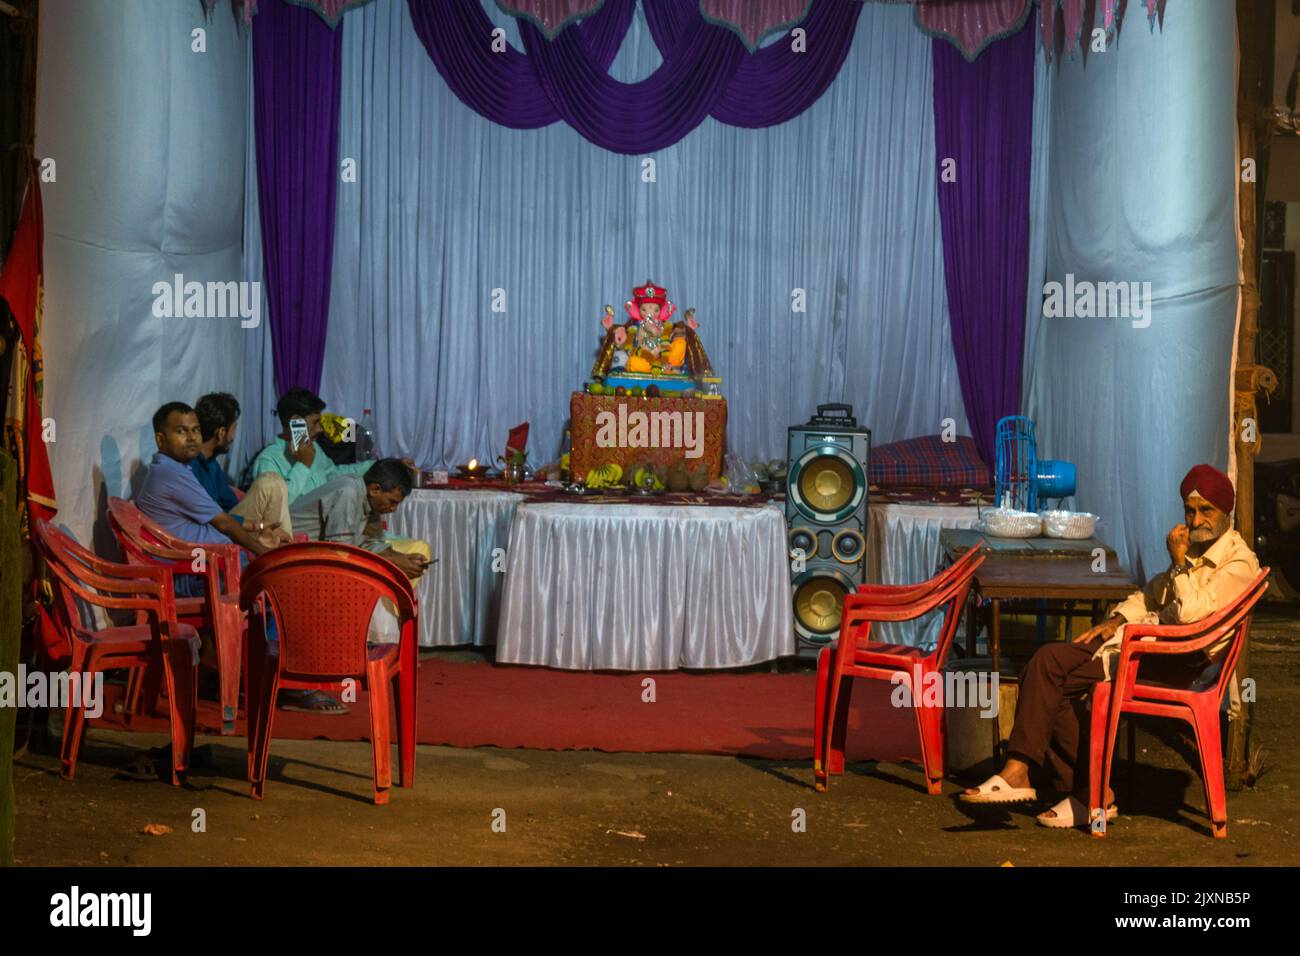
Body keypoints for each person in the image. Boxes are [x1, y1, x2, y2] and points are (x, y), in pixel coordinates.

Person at [960, 464, 1260, 828]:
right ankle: (1063, 784)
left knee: (1051, 669)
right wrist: (1116, 620)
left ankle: (1062, 784)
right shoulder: (1197, 550)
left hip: (1177, 660)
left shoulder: (1239, 564)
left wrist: (1179, 565)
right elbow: (1151, 595)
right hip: (1143, 644)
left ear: (1225, 513)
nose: (1195, 519)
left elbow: (1190, 616)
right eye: (1190, 510)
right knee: (1046, 667)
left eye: (1205, 511)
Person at [135, 402, 280, 558]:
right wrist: (263, 554)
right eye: (181, 431)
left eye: (196, 430)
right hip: (199, 566)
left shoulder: (174, 468)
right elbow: (224, 523)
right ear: (160, 440)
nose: (191, 438)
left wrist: (258, 531)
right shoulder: (170, 472)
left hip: (216, 555)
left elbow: (227, 510)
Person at [289, 457, 431, 580]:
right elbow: (340, 552)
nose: (393, 509)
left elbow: (372, 543)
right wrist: (394, 562)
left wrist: (401, 558)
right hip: (291, 559)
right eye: (392, 502)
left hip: (315, 559)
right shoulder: (349, 492)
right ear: (375, 489)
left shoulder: (370, 499)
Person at [191, 392, 291, 541]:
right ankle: (281, 552)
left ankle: (281, 549)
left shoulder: (212, 464)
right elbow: (212, 519)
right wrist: (261, 526)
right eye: (234, 429)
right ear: (221, 432)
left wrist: (262, 525)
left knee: (273, 481)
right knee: (270, 483)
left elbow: (233, 505)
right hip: (211, 533)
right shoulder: (190, 466)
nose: (233, 437)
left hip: (230, 524)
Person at [248, 387, 374, 504]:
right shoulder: (268, 459)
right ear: (295, 421)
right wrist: (303, 465)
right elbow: (276, 506)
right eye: (315, 422)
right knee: (348, 490)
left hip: (319, 516)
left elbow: (333, 474)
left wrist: (372, 466)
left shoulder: (314, 448)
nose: (320, 429)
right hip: (291, 522)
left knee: (356, 489)